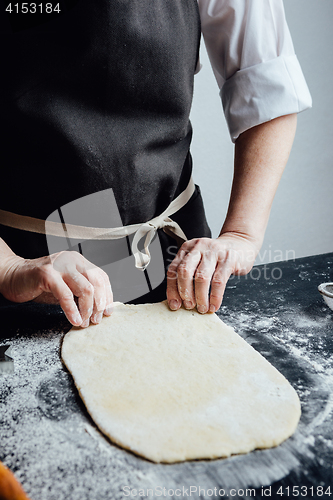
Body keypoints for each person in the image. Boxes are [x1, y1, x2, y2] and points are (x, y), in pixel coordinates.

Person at [0, 0, 311, 327]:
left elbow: (266, 83)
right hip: (29, 274)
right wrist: (10, 269)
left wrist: (241, 234)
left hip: (177, 269)